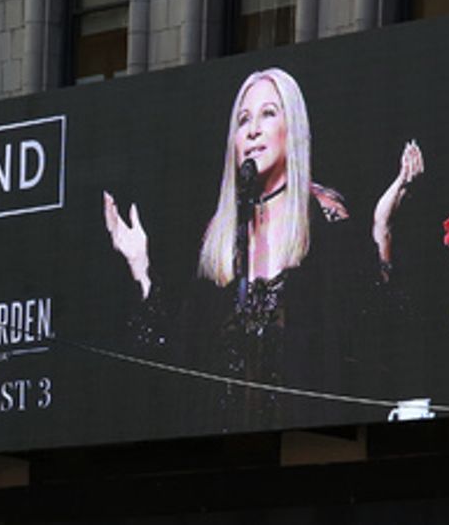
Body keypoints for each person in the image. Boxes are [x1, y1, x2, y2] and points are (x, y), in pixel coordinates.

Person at [102, 68, 424, 425]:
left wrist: (382, 229)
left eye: (268, 113)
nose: (252, 129)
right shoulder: (220, 242)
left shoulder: (326, 223)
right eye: (243, 120)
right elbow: (177, 371)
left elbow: (377, 345)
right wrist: (140, 268)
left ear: (292, 129)